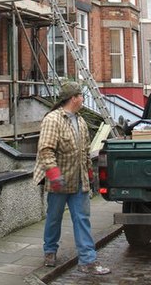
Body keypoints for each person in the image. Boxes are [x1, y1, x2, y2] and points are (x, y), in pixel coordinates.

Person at [33, 81, 111, 275]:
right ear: (73, 98)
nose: (83, 99)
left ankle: (87, 261)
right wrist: (53, 174)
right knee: (54, 218)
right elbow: (45, 150)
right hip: (58, 181)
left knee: (82, 219)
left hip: (79, 180)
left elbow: (85, 151)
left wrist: (89, 174)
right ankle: (50, 251)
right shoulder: (53, 119)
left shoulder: (81, 121)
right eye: (81, 96)